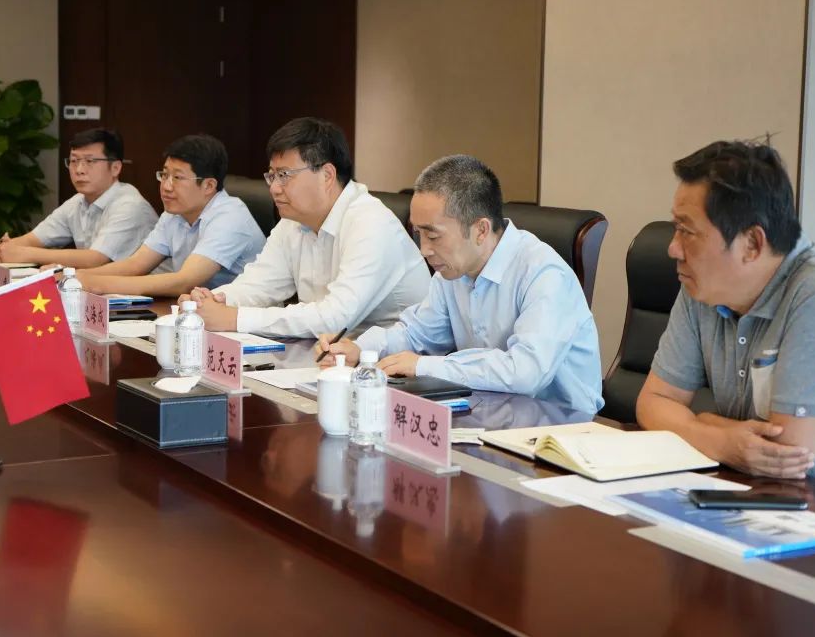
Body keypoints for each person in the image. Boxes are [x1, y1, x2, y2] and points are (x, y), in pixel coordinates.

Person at [638, 140, 815, 502]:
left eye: (687, 231)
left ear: (752, 244)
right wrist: (721, 439)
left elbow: (783, 456)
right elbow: (653, 402)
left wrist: (698, 420)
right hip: (762, 501)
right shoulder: (702, 289)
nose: (673, 248)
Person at [317, 155, 604, 414]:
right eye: (418, 235)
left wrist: (423, 366)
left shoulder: (544, 274)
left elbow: (525, 372)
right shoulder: (453, 272)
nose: (424, 250)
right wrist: (359, 348)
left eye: (433, 236)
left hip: (562, 429)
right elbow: (416, 334)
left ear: (480, 230)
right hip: (491, 414)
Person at [182, 117, 430, 337]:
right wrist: (212, 301)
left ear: (327, 175)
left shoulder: (371, 223)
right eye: (272, 176)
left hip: (390, 360)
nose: (274, 188)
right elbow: (260, 284)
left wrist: (234, 318)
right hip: (328, 352)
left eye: (284, 175)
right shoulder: (293, 221)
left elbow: (335, 319)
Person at [75, 134, 264, 296]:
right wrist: (76, 276)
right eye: (164, 175)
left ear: (208, 185)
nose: (166, 186)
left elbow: (185, 281)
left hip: (241, 315)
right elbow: (136, 265)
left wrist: (96, 284)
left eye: (178, 178)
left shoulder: (230, 217)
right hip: (196, 308)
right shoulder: (175, 212)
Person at [0, 128, 157, 267]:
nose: (79, 170)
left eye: (90, 161)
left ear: (115, 168)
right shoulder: (78, 201)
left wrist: (26, 254)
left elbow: (96, 259)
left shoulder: (130, 205)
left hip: (151, 294)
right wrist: (0, 248)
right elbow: (33, 239)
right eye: (74, 161)